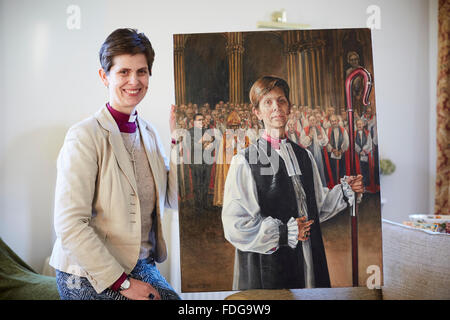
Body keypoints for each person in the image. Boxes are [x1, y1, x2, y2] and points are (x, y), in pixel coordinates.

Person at [49, 28, 180, 300]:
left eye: (141, 71)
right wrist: (124, 284)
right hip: (84, 271)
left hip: (139, 263)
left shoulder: (151, 133)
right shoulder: (84, 135)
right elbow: (69, 224)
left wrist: (179, 143)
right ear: (104, 76)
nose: (134, 80)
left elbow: (174, 200)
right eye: (123, 72)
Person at [222, 76, 363, 290]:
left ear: (289, 109)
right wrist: (282, 233)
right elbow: (235, 225)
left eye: (281, 101)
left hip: (308, 255)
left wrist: (346, 192)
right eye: (267, 102)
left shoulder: (304, 155)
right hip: (269, 264)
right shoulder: (244, 161)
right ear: (257, 112)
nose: (276, 107)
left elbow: (317, 205)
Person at [300, 115, 329, 187]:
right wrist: (310, 136)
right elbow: (302, 142)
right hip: (310, 155)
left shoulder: (320, 128)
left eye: (313, 120)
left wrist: (321, 139)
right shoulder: (305, 130)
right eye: (311, 120)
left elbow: (326, 140)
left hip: (320, 154)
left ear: (316, 121)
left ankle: (322, 186)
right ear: (308, 122)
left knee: (320, 171)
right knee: (311, 172)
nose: (312, 122)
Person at [324, 115, 350, 189]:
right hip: (332, 154)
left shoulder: (343, 130)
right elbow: (326, 142)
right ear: (330, 122)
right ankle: (335, 186)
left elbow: (346, 141)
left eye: (335, 121)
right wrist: (333, 150)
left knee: (342, 170)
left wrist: (341, 151)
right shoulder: (327, 131)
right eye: (332, 121)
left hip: (341, 153)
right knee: (333, 171)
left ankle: (342, 187)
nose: (334, 122)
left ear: (338, 121)